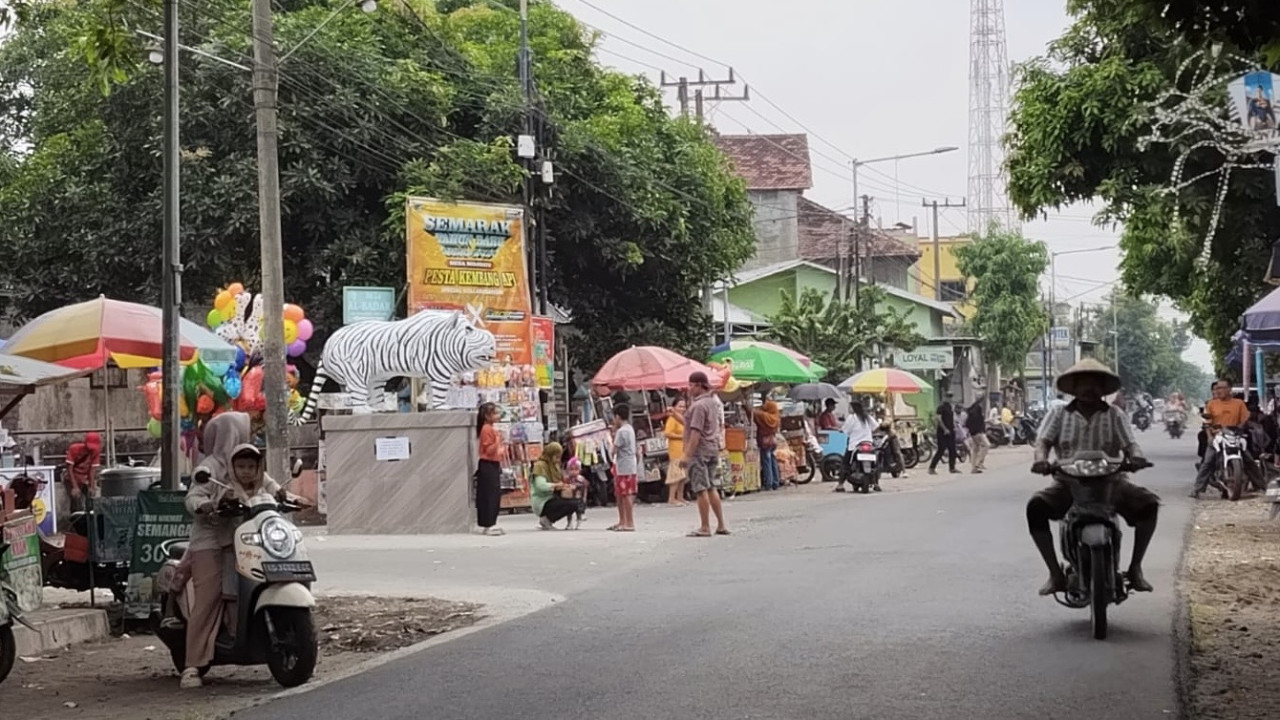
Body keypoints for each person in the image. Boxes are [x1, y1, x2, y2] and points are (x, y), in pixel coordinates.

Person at [1028, 359, 1158, 595]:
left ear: (1102, 388)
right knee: (1036, 507)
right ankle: (1055, 573)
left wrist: (1136, 458)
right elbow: (1043, 442)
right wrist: (1041, 460)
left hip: (1111, 482)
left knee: (1149, 504)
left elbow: (1131, 444)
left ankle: (1136, 568)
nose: (1089, 389)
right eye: (1083, 384)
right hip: (1068, 481)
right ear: (1074, 388)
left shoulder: (1115, 414)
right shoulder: (1058, 413)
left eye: (1094, 384)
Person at [179, 412, 252, 689]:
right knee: (208, 597)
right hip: (210, 538)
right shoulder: (209, 466)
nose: (240, 437)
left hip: (243, 536)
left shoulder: (248, 462)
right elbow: (193, 497)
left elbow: (269, 485)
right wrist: (204, 505)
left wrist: (287, 496)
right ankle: (192, 665)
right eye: (236, 432)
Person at [682, 371, 729, 537]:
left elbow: (695, 433)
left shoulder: (698, 406)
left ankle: (705, 526)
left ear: (698, 385)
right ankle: (721, 524)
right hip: (712, 448)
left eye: (691, 385)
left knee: (701, 488)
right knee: (711, 486)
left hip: (699, 451)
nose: (689, 389)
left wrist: (687, 455)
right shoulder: (712, 403)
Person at [1194, 380, 1256, 498]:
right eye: (1217, 388)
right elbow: (1207, 422)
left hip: (1234, 435)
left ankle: (1261, 486)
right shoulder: (1212, 404)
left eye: (1222, 388)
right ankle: (1198, 488)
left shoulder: (1239, 403)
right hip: (1218, 436)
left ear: (1229, 389)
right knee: (1208, 461)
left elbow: (1245, 418)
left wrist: (1239, 428)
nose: (1218, 391)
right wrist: (1210, 437)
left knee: (1249, 459)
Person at [529, 442, 578, 530]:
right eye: (556, 457)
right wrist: (555, 485)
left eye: (559, 457)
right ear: (550, 455)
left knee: (575, 503)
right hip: (542, 500)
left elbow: (559, 481)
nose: (558, 460)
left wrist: (566, 486)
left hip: (553, 496)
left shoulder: (555, 466)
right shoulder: (540, 466)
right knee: (570, 504)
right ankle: (546, 519)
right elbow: (541, 486)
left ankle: (550, 519)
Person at [474, 403, 506, 536]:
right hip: (488, 463)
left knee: (493, 495)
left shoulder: (491, 428)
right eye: (495, 413)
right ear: (487, 416)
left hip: (493, 463)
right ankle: (488, 524)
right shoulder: (487, 429)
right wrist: (498, 440)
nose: (498, 416)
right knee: (489, 495)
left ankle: (491, 523)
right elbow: (489, 449)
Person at [609, 405, 639, 532]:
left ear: (617, 417)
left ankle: (629, 522)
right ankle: (624, 521)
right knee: (622, 494)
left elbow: (613, 451)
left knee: (625, 494)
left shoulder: (621, 432)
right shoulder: (630, 429)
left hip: (623, 466)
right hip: (630, 464)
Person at [838, 401, 879, 492]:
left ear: (853, 408)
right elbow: (876, 427)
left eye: (850, 407)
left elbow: (845, 430)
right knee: (875, 464)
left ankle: (840, 485)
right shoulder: (867, 417)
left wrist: (841, 430)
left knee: (846, 463)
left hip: (855, 446)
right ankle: (876, 484)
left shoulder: (852, 418)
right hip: (868, 444)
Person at [746, 397, 782, 491]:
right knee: (773, 461)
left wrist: (745, 405)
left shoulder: (765, 416)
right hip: (773, 440)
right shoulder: (776, 417)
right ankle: (776, 482)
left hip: (765, 441)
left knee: (766, 461)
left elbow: (754, 413)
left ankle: (768, 483)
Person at [63, 432, 102, 513]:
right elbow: (69, 468)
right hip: (71, 478)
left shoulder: (96, 453)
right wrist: (75, 487)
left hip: (84, 479)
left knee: (90, 498)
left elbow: (92, 471)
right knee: (76, 498)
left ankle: (89, 519)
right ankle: (75, 519)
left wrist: (92, 486)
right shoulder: (74, 449)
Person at [664, 399, 688, 506]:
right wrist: (681, 437)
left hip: (684, 450)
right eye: (680, 406)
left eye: (684, 406)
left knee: (683, 476)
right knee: (675, 475)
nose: (682, 409)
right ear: (674, 407)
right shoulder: (672, 419)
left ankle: (680, 497)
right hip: (675, 450)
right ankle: (671, 498)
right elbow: (667, 433)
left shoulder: (684, 420)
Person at [928, 393, 958, 475]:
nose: (950, 398)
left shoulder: (950, 407)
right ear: (944, 397)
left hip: (951, 431)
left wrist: (954, 426)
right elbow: (938, 418)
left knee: (952, 450)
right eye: (948, 397)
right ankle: (931, 468)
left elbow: (951, 419)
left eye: (951, 397)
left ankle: (952, 468)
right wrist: (945, 429)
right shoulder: (941, 407)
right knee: (941, 450)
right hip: (942, 432)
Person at [965, 399, 989, 473]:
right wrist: (980, 430)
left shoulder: (971, 411)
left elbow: (967, 423)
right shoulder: (977, 410)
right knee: (986, 445)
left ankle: (974, 467)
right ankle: (978, 463)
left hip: (973, 432)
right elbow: (979, 422)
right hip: (977, 432)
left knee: (975, 449)